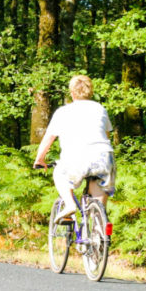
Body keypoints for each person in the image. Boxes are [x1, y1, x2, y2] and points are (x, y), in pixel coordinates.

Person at [33, 75, 115, 224]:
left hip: (76, 158)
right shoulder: (100, 109)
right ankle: (99, 237)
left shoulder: (63, 112)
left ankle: (70, 205)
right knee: (99, 206)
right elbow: (106, 135)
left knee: (59, 173)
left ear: (71, 92)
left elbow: (48, 139)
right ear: (91, 92)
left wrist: (40, 159)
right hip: (104, 157)